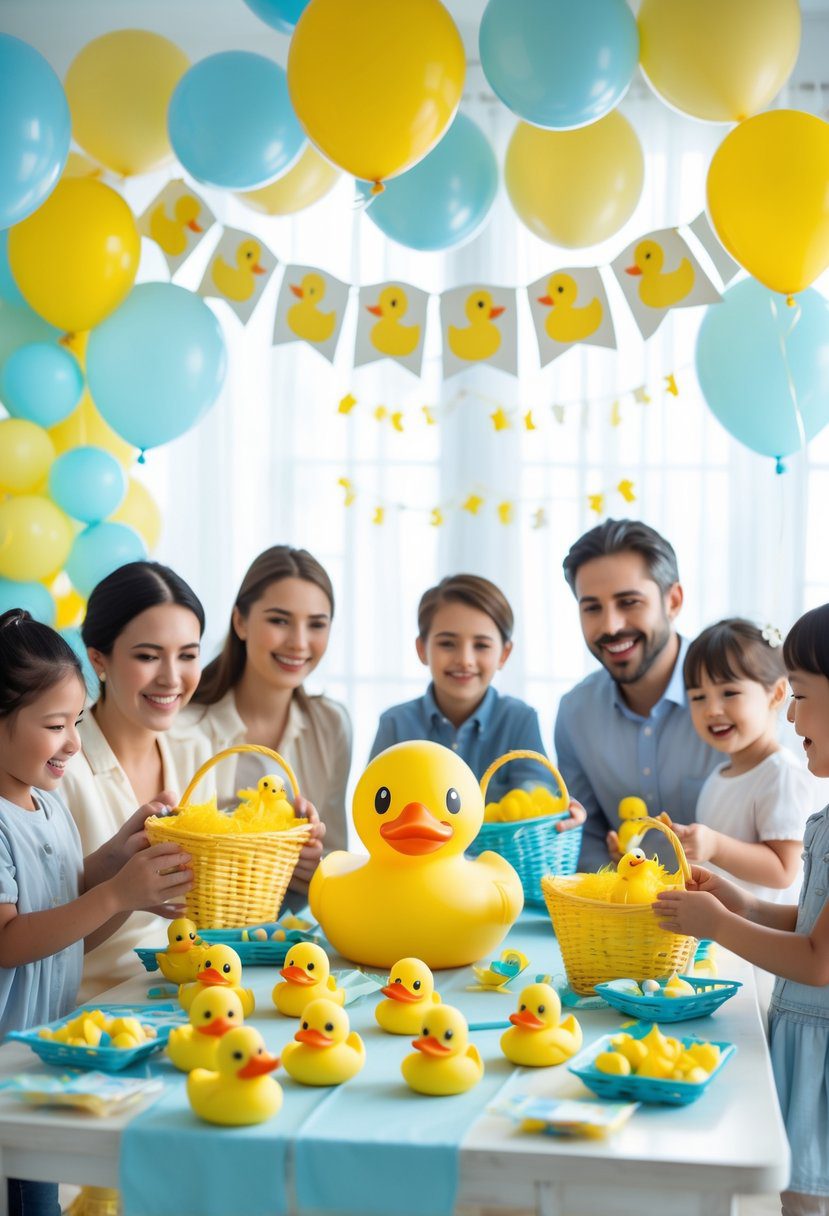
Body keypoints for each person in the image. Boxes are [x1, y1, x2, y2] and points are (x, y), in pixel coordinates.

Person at [0, 609, 191, 1216]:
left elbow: (62, 908)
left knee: (41, 1192)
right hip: (4, 1061)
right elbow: (9, 939)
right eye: (56, 724)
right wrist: (113, 895)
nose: (74, 744)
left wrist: (116, 860)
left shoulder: (44, 802)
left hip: (38, 1052)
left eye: (77, 721)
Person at [657, 603, 829, 1216]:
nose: (792, 715)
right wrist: (735, 900)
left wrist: (722, 925)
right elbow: (806, 918)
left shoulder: (785, 776)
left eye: (802, 696)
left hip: (811, 1029)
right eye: (697, 695)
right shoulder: (736, 778)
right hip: (797, 1021)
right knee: (791, 1188)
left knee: (806, 1193)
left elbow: (816, 959)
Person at [62, 562, 211, 1000]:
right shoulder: (59, 767)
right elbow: (30, 941)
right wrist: (119, 891)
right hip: (88, 1004)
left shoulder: (195, 751)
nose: (171, 677)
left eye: (187, 655)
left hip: (187, 987)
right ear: (98, 659)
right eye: (148, 656)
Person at [178, 546, 350, 899]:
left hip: (300, 931)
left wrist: (315, 866)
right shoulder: (183, 724)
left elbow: (336, 856)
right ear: (240, 622)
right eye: (279, 620)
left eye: (316, 624)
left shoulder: (332, 724)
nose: (299, 643)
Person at [554, 519, 719, 869]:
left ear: (673, 601)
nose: (611, 626)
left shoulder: (739, 696)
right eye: (592, 607)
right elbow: (587, 833)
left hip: (730, 913)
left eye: (628, 602)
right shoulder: (574, 713)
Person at [370, 573, 585, 824]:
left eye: (481, 645)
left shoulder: (520, 720)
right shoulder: (395, 723)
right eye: (447, 644)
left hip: (504, 862)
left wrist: (559, 808)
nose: (465, 659)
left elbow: (539, 801)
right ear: (422, 649)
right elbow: (376, 809)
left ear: (504, 654)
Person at [676, 618, 816, 903]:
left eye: (729, 693)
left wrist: (714, 845)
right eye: (698, 697)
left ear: (776, 694)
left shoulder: (780, 773)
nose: (712, 710)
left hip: (761, 938)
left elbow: (783, 870)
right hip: (722, 935)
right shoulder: (719, 775)